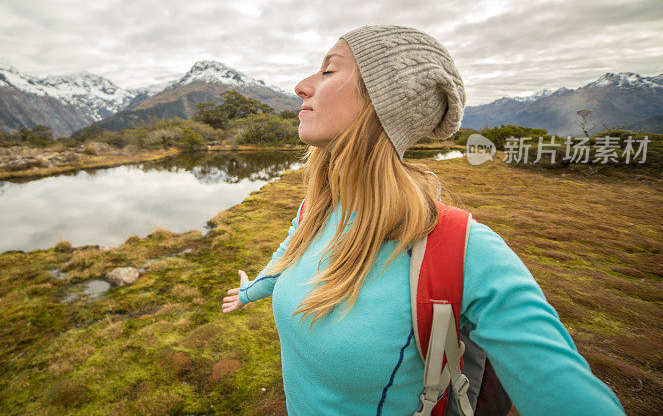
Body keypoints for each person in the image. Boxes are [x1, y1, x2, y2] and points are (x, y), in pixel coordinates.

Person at [221, 24, 625, 415]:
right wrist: (250, 291)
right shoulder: (318, 207)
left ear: (383, 102)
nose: (302, 86)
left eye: (329, 70)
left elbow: (569, 393)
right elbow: (290, 252)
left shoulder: (465, 250)